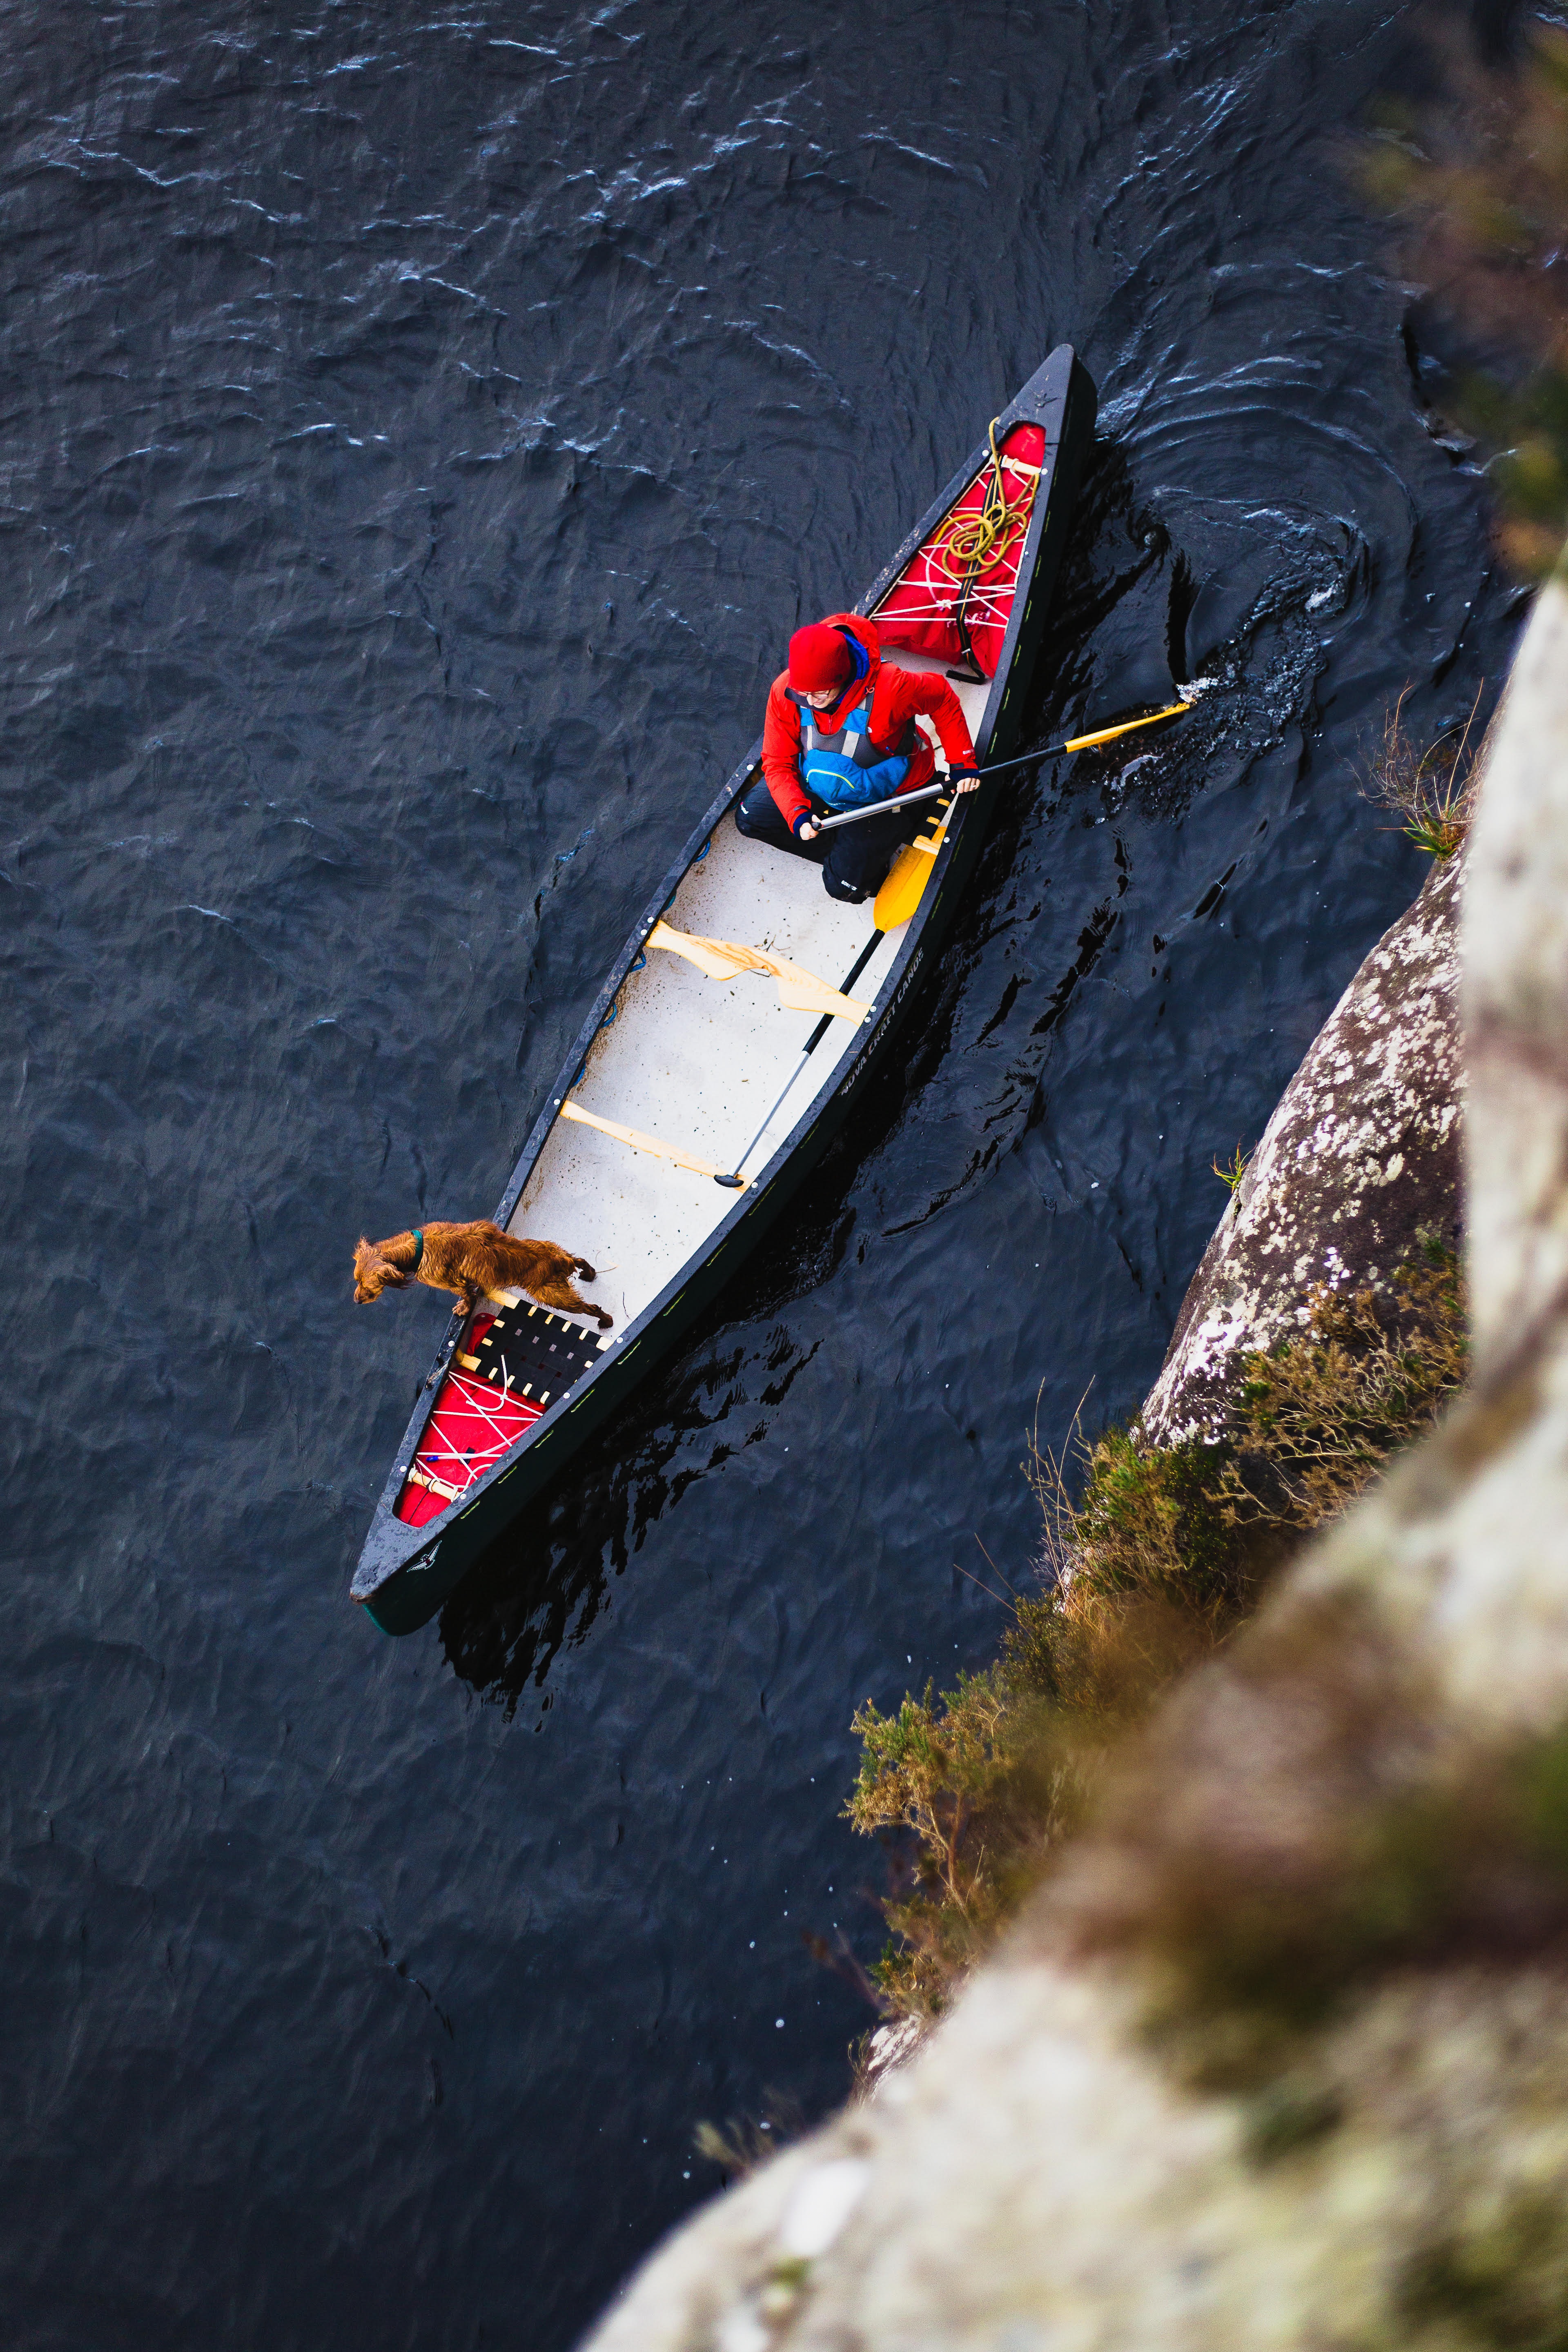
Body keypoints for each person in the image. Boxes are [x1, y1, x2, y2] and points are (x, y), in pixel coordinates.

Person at [733, 612, 982, 903]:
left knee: (843, 888)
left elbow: (942, 697)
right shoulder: (786, 692)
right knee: (750, 818)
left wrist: (962, 762)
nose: (809, 702)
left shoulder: (893, 687)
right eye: (803, 694)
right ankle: (850, 847)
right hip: (820, 786)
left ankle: (860, 864)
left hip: (889, 798)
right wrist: (797, 814)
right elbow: (777, 762)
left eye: (819, 694)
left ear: (842, 676)